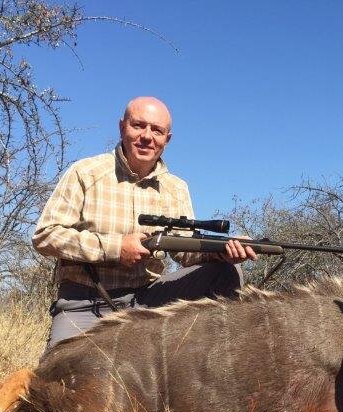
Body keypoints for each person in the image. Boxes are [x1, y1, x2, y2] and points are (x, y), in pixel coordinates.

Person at [33, 96, 256, 348]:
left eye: (157, 130)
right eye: (138, 125)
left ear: (167, 139)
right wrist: (114, 248)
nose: (147, 136)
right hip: (86, 303)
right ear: (122, 127)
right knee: (59, 381)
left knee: (227, 272)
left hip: (149, 301)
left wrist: (223, 251)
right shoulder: (84, 172)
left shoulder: (176, 188)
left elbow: (184, 249)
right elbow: (45, 236)